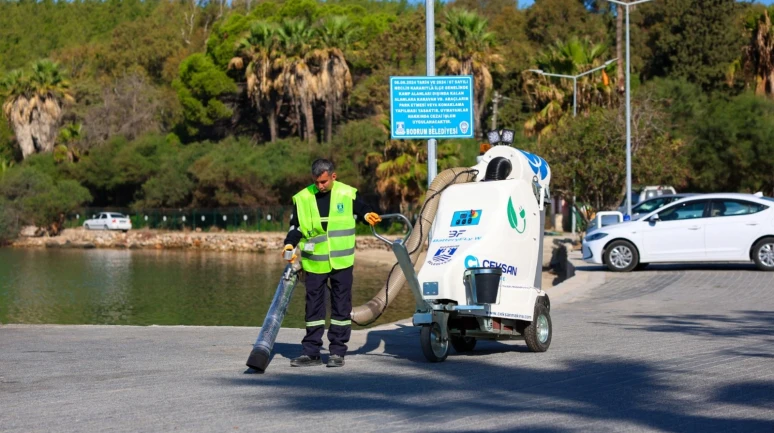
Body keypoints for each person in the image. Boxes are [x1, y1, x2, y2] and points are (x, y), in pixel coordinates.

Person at [282, 158, 381, 368]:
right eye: (317, 182)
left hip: (341, 261)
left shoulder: (347, 193)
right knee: (313, 309)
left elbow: (361, 208)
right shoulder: (302, 198)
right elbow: (295, 227)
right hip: (314, 263)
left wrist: (367, 214)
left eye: (324, 182)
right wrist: (289, 245)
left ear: (333, 176)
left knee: (341, 307)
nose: (320, 186)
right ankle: (311, 352)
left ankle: (337, 352)